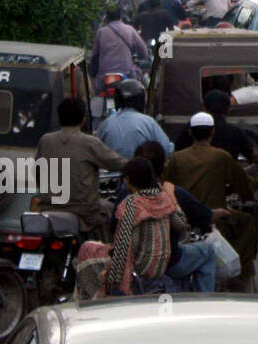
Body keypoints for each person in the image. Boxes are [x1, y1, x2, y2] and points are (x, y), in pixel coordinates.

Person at [164, 111, 258, 289]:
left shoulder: (176, 158)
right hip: (214, 218)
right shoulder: (220, 156)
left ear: (190, 133)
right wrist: (253, 189)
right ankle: (241, 276)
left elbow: (167, 185)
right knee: (247, 222)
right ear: (212, 132)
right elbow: (242, 182)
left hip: (182, 219)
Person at [74, 157, 190, 300]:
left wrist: (113, 283)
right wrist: (172, 198)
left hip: (138, 272)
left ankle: (94, 302)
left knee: (87, 249)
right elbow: (182, 225)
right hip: (157, 269)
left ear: (128, 180)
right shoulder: (164, 199)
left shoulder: (131, 203)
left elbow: (123, 247)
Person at [133, 141, 219, 293]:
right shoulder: (170, 193)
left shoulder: (125, 197)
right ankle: (205, 302)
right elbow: (183, 223)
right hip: (170, 262)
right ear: (162, 166)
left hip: (136, 264)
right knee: (207, 252)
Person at [36, 98, 127, 238]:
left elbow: (38, 174)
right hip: (83, 212)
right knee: (110, 209)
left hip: (47, 207)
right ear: (83, 120)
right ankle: (104, 254)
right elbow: (118, 163)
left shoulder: (45, 140)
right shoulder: (89, 142)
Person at [174, 90, 258, 165]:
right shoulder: (236, 133)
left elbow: (177, 149)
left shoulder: (191, 128)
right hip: (225, 182)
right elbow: (253, 155)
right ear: (228, 110)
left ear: (204, 108)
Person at [97, 79, 174, 159]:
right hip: (140, 170)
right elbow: (167, 150)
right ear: (141, 99)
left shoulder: (107, 123)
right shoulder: (148, 122)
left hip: (111, 170)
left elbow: (97, 151)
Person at [90, 5, 151, 84]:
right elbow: (143, 50)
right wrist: (144, 57)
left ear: (107, 17)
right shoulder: (129, 29)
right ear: (121, 15)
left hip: (104, 76)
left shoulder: (101, 32)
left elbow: (94, 55)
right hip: (126, 74)